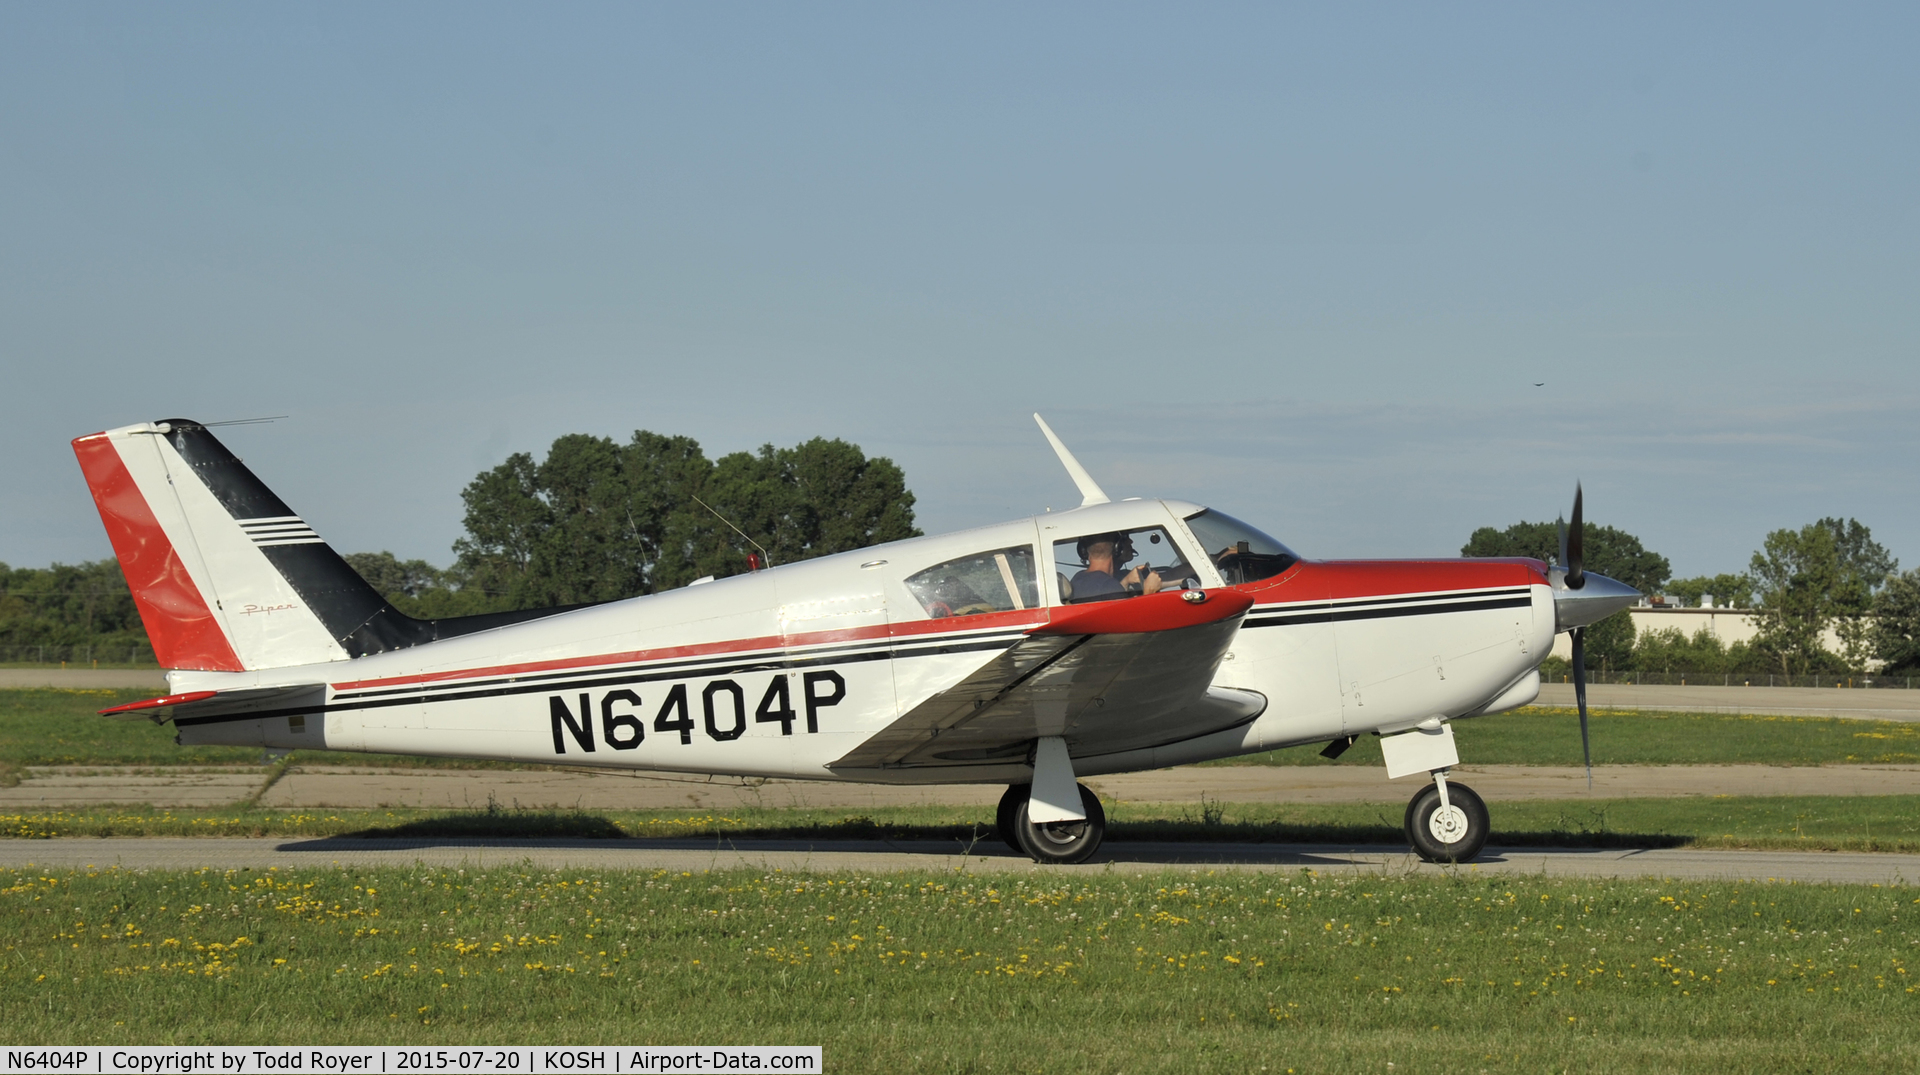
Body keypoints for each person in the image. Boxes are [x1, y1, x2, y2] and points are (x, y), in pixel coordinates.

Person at [1070, 534, 1162, 602]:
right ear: (1118, 549)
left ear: (1083, 552)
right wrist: (1149, 592)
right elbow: (1130, 623)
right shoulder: (1109, 586)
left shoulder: (1077, 579)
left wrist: (1125, 581)